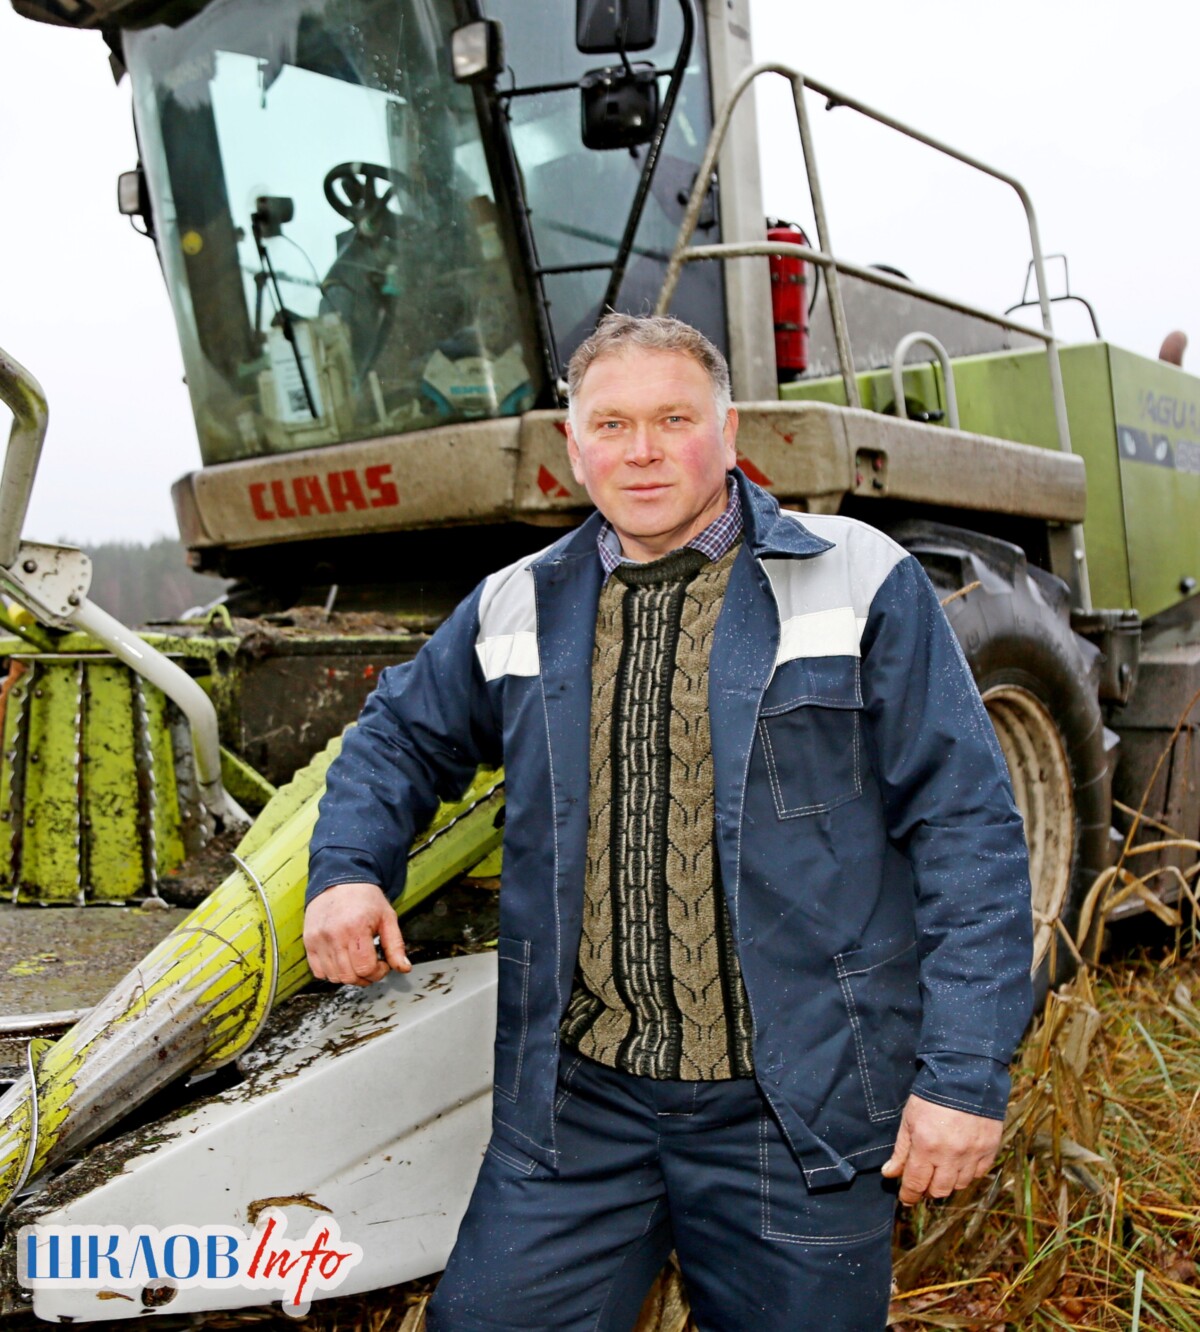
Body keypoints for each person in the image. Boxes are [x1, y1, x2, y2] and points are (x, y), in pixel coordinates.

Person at [303, 313, 1033, 1331]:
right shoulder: (518, 603)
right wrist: (346, 867)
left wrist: (963, 1075)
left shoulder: (853, 579)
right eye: (611, 424)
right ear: (574, 446)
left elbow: (965, 827)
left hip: (797, 1112)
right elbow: (397, 736)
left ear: (729, 433)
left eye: (673, 418)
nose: (641, 450)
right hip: (577, 1109)